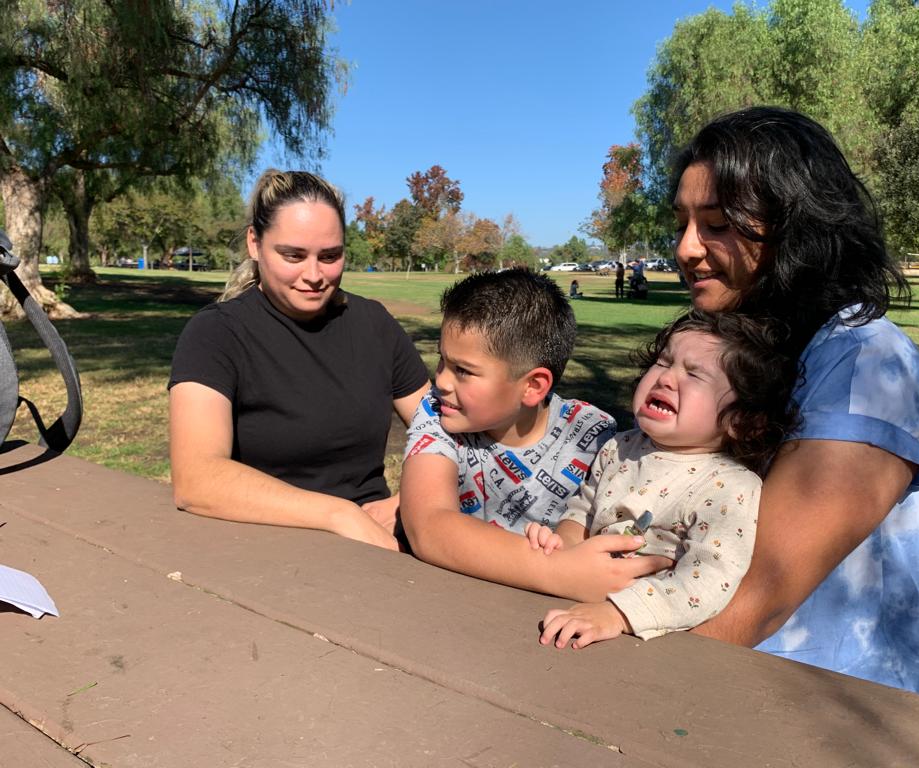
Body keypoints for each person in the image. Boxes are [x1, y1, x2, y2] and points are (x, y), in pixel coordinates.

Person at [662, 106, 919, 702]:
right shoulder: (746, 349)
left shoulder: (864, 363)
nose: (686, 248)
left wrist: (614, 688)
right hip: (743, 696)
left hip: (849, 715)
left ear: (796, 224)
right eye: (683, 222)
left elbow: (760, 596)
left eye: (717, 223)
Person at [168, 169, 430, 551]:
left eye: (330, 256)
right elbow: (197, 480)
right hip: (263, 544)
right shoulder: (217, 334)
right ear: (255, 245)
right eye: (293, 255)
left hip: (378, 544)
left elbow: (444, 435)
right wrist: (339, 514)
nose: (314, 275)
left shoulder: (374, 324)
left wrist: (409, 503)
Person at [528, 311, 798, 649]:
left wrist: (619, 615)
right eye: (663, 361)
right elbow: (583, 509)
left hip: (646, 637)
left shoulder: (729, 486)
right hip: (577, 607)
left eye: (694, 374)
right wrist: (563, 547)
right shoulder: (620, 447)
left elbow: (709, 580)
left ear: (741, 421)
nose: (666, 378)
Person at [402, 269, 670, 592]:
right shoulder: (437, 414)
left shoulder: (591, 433)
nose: (442, 381)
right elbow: (429, 528)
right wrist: (558, 571)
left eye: (463, 371)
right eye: (442, 360)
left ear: (533, 386)